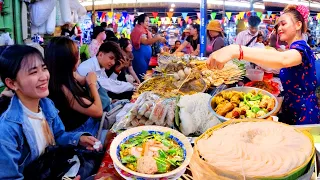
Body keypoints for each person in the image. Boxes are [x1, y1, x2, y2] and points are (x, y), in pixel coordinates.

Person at [0, 45, 101, 179]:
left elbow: (58, 135)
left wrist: (78, 139)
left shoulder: (46, 104)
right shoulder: (7, 130)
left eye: (44, 68)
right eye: (33, 72)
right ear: (12, 84)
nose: (44, 77)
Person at [207, 4, 319, 125]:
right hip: (290, 107)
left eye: (283, 24)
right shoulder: (291, 49)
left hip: (304, 113)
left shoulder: (302, 48)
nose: (279, 28)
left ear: (298, 25)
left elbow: (283, 59)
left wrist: (236, 50)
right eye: (278, 25)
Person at [44, 37, 104, 136]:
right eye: (76, 54)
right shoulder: (63, 89)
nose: (79, 58)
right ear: (68, 59)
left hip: (89, 125)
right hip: (85, 132)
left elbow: (81, 78)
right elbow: (98, 111)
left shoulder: (64, 77)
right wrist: (92, 84)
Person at [131, 14, 166, 81]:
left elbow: (150, 40)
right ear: (141, 22)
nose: (148, 23)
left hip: (144, 58)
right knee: (141, 76)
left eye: (148, 21)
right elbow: (145, 42)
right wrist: (158, 38)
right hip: (139, 57)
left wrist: (160, 38)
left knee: (143, 75)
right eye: (146, 21)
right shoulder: (138, 31)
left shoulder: (144, 30)